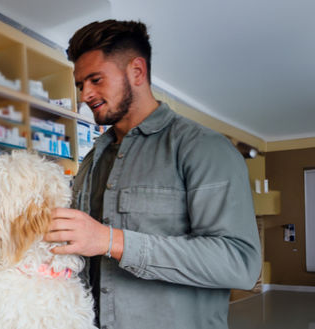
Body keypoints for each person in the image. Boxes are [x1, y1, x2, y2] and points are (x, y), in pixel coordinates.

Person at [42, 19, 262, 328]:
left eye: (95, 80)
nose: (85, 95)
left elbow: (239, 263)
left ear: (137, 72)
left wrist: (110, 241)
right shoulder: (93, 159)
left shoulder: (204, 148)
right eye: (80, 85)